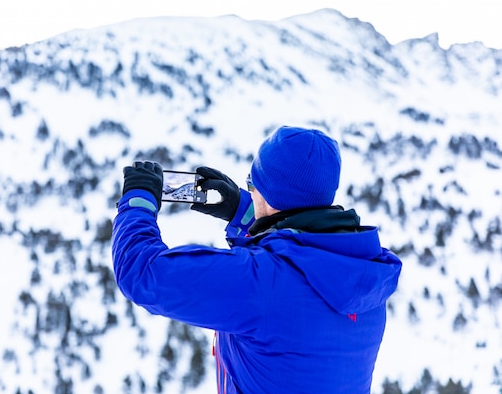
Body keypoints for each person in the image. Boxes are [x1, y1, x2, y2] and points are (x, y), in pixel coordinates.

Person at [112, 126, 402, 394]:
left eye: (252, 183)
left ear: (269, 195)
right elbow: (303, 250)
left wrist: (138, 201)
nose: (249, 189)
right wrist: (243, 212)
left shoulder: (262, 286)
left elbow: (141, 274)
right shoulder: (364, 276)